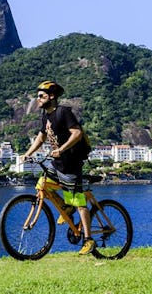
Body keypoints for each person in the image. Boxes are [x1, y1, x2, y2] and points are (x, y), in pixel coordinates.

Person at [19, 80, 95, 255]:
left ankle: (89, 240)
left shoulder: (63, 112)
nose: (38, 99)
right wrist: (28, 153)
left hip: (71, 164)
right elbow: (41, 136)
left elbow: (77, 133)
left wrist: (61, 149)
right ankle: (66, 207)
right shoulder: (45, 115)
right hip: (57, 164)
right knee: (42, 185)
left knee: (78, 201)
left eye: (41, 96)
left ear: (51, 96)